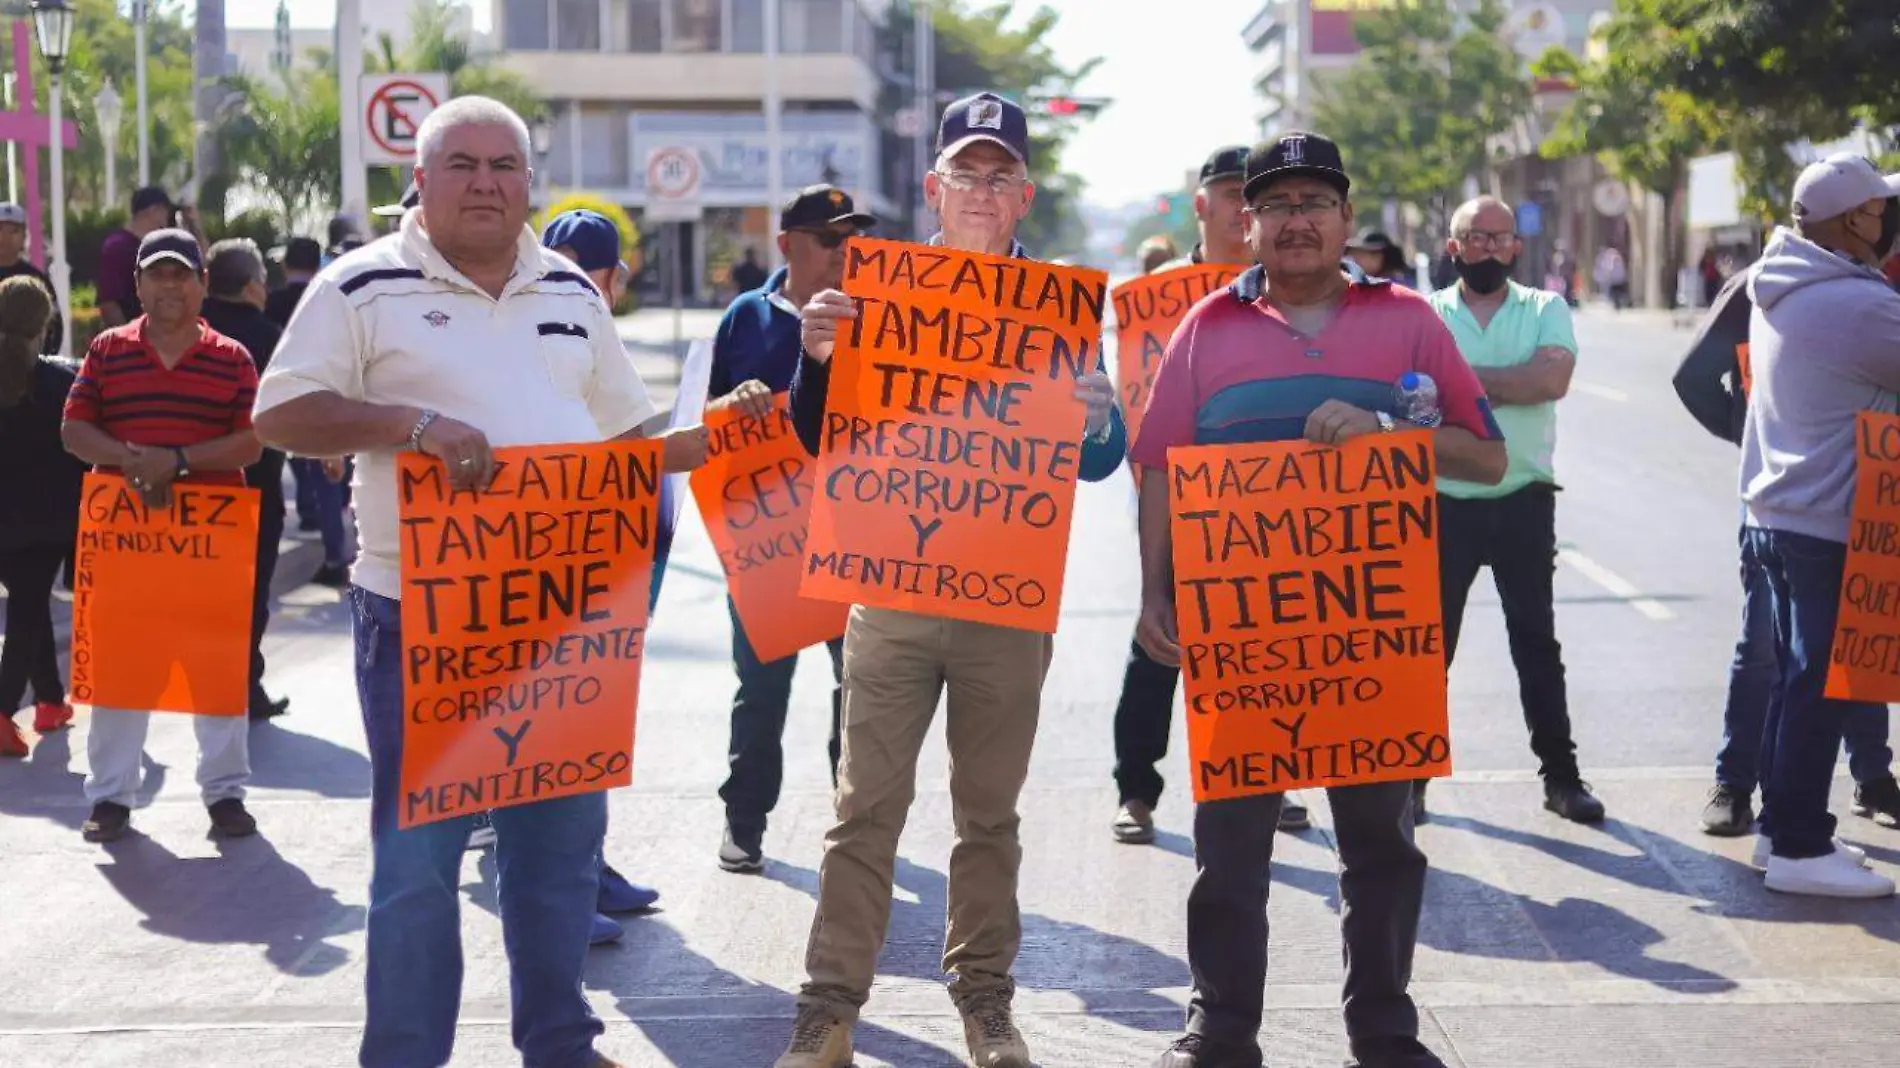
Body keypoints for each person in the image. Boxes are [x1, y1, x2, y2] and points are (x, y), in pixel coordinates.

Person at [250, 95, 709, 1068]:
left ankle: (560, 1043)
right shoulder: (359, 285)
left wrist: (718, 441)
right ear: (419, 180)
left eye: (505, 165)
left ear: (528, 184)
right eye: (461, 164)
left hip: (559, 623)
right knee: (420, 868)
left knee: (556, 856)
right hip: (421, 622)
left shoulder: (572, 296)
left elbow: (628, 445)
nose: (486, 183)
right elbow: (281, 414)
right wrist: (408, 426)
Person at [1131, 131, 1506, 1068]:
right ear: (1246, 224)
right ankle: (1220, 1027)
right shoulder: (1205, 331)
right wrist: (1153, 593)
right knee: (1229, 844)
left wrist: (1387, 431)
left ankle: (1382, 1026)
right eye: (1278, 206)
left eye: (1316, 204)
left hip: (1369, 638)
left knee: (1382, 842)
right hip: (1240, 638)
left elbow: (1486, 454)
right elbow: (1161, 475)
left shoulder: (1414, 319)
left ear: (1345, 219)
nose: (1298, 222)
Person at [772, 91, 1125, 1068]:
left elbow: (1098, 462)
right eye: (963, 173)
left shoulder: (1058, 309)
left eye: (999, 174)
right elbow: (813, 439)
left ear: (1025, 194)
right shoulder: (870, 294)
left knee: (988, 818)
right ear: (933, 188)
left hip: (1003, 603)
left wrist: (1096, 416)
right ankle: (826, 1013)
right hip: (886, 597)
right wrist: (814, 360)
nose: (980, 189)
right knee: (863, 814)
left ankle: (985, 1005)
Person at [1112, 145, 1312, 845]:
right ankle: (1136, 789)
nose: (1238, 207)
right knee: (1159, 641)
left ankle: (1274, 777)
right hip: (1175, 492)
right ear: (1202, 205)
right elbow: (1136, 397)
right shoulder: (1156, 293)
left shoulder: (1288, 284)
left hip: (1259, 499)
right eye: (1228, 193)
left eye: (1248, 195)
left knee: (1265, 645)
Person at [1672, 257, 1900, 838]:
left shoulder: (1876, 291)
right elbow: (1695, 377)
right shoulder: (1763, 285)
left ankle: (1872, 776)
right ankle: (1736, 783)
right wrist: (1762, 438)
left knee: (1863, 632)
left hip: (1872, 496)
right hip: (1785, 504)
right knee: (1766, 647)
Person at [61, 228, 264, 843]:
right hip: (127, 542)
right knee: (125, 665)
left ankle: (225, 795)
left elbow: (251, 441)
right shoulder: (106, 350)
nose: (170, 285)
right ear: (139, 285)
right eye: (158, 274)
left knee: (215, 665)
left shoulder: (232, 357)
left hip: (210, 544)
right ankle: (111, 798)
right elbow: (74, 429)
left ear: (201, 283)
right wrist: (133, 461)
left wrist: (174, 460)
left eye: (182, 274)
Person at [1739, 152, 1900, 898]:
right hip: (1827, 521)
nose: (1886, 220)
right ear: (1849, 222)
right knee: (1821, 686)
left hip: (1779, 514)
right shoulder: (1855, 306)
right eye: (1877, 208)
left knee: (1796, 680)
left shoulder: (1786, 282)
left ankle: (1782, 832)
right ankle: (1801, 845)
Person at [704, 183, 873, 874]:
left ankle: (853, 824)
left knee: (857, 690)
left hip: (849, 539)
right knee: (761, 691)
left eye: (852, 239)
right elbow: (703, 421)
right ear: (788, 246)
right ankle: (744, 822)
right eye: (830, 239)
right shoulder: (747, 317)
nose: (844, 253)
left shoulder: (875, 315)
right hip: (766, 549)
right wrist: (731, 401)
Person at [1422, 196, 1604, 826]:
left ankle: (1562, 777)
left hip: (1524, 500)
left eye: (1501, 238)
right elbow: (1413, 396)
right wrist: (1507, 378)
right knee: (1429, 648)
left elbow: (1550, 383)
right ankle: (1411, 782)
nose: (1490, 248)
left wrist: (1457, 381)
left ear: (1517, 247)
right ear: (1454, 247)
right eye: (1476, 238)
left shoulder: (1545, 307)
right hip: (1443, 501)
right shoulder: (1425, 315)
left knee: (1535, 643)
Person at [535, 206, 669, 943]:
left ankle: (588, 868)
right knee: (555, 738)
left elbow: (642, 457)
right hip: (550, 571)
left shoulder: (607, 346)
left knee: (591, 731)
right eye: (563, 272)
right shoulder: (532, 347)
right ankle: (558, 892)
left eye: (589, 274)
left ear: (615, 281)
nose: (577, 287)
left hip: (608, 566)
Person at [197, 239, 294, 722]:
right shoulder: (268, 337)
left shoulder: (189, 330)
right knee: (249, 592)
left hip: (188, 484)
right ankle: (242, 685)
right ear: (254, 284)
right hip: (254, 485)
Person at [0, 275, 79, 755]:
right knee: (28, 609)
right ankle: (4, 707)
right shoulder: (61, 382)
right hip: (47, 519)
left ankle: (50, 699)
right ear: (45, 323)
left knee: (29, 604)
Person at [97, 187, 201, 329]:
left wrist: (194, 225)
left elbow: (202, 262)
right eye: (166, 211)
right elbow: (109, 302)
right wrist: (126, 341)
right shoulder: (118, 245)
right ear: (153, 211)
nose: (168, 217)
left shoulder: (164, 246)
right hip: (135, 336)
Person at [0, 203, 61, 354]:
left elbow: (54, 324)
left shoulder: (36, 278)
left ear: (24, 236)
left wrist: (41, 360)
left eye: (14, 231)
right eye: (0, 229)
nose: (5, 237)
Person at [1347, 227, 1416, 288]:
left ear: (1379, 257)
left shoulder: (1397, 287)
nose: (1356, 259)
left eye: (1361, 254)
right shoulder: (1359, 284)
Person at [1594, 244, 1630, 310]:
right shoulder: (1616, 257)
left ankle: (1617, 304)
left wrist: (1608, 275)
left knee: (1615, 293)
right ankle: (1617, 304)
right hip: (1617, 279)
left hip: (1615, 280)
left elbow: (1609, 268)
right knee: (1616, 293)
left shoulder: (1611, 257)